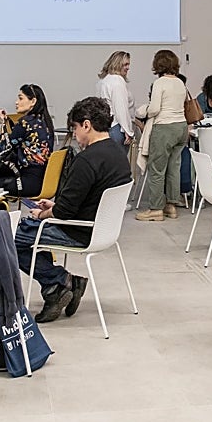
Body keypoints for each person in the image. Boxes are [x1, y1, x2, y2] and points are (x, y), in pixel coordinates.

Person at [15, 97, 133, 322]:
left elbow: (63, 214)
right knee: (27, 236)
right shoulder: (119, 154)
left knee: (11, 239)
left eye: (75, 128)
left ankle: (60, 283)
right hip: (104, 229)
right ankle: (59, 285)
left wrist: (43, 213)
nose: (75, 134)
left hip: (79, 231)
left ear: (86, 125)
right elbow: (87, 199)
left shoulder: (86, 160)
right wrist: (57, 206)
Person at [135, 50, 189, 222]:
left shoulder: (160, 83)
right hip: (181, 128)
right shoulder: (180, 83)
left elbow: (154, 109)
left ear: (157, 64)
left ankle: (156, 209)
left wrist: (142, 109)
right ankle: (171, 206)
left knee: (157, 170)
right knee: (174, 168)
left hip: (164, 128)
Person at [0, 84, 55, 197]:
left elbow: (4, 150)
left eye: (20, 98)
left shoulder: (25, 122)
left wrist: (1, 123)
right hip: (44, 181)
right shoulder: (46, 122)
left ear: (33, 101)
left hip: (27, 182)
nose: (16, 102)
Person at [96, 50, 136, 146]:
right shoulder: (117, 81)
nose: (128, 68)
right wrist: (129, 132)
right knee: (119, 160)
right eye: (125, 64)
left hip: (106, 128)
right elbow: (120, 109)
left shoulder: (103, 81)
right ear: (117, 64)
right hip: (118, 129)